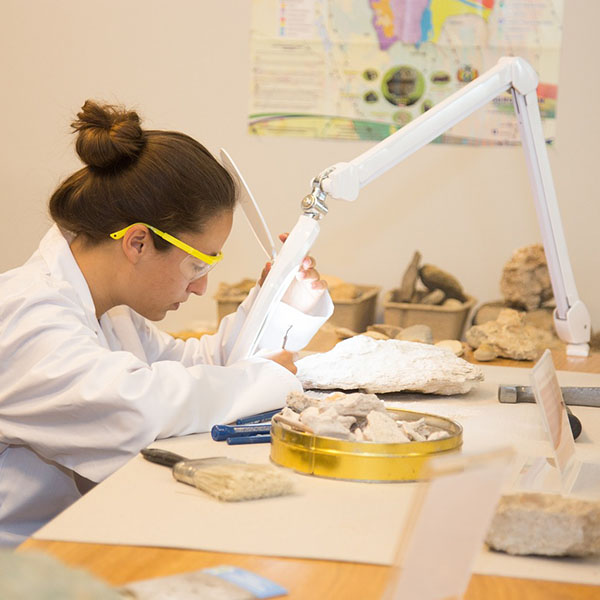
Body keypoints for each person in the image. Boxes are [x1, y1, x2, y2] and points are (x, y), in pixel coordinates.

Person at [0, 100, 333, 546]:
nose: (201, 287)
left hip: (67, 536)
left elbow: (195, 366)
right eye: (197, 265)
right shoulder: (27, 315)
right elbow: (138, 408)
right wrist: (266, 378)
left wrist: (279, 304)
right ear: (137, 242)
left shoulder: (109, 310)